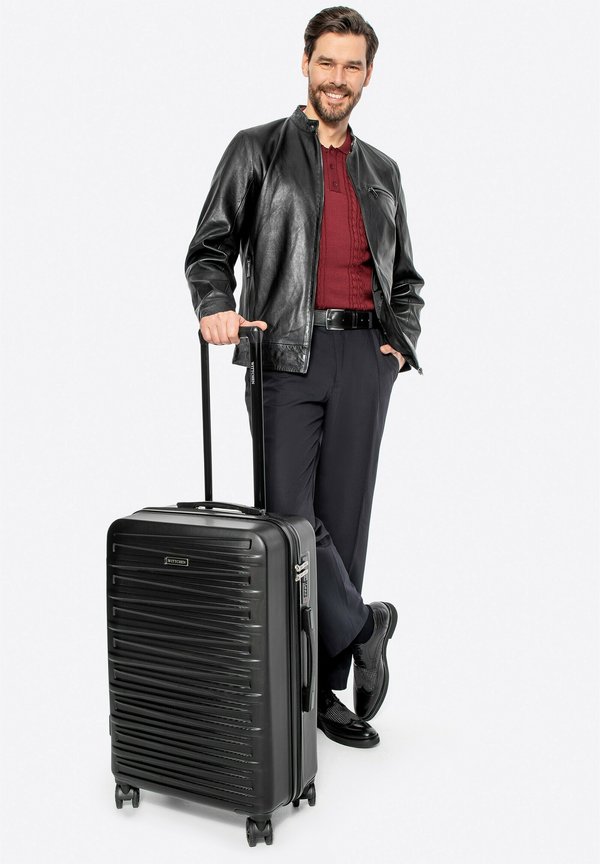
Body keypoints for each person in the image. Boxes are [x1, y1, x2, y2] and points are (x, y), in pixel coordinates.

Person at [184, 6, 424, 748]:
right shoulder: (256, 149)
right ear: (305, 64)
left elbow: (407, 280)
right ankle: (364, 626)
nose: (337, 78)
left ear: (368, 75)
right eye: (327, 62)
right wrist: (215, 305)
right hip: (285, 353)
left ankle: (321, 694)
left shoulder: (382, 172)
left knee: (342, 527)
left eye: (352, 66)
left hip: (365, 358)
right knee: (289, 521)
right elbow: (210, 247)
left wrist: (399, 344)